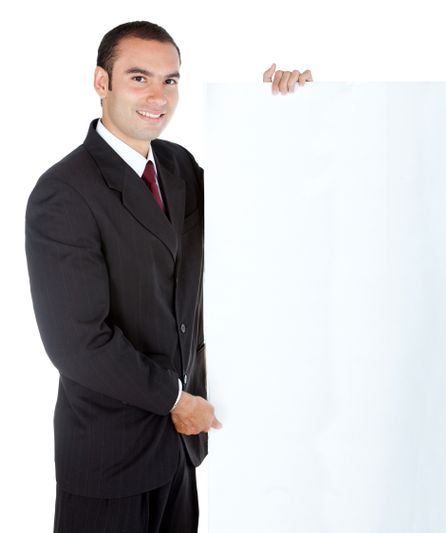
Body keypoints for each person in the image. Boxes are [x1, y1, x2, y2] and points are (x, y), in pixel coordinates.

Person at [25, 21, 312, 533]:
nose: (159, 96)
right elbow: (77, 344)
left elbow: (254, 204)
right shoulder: (63, 193)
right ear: (101, 82)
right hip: (109, 459)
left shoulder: (178, 167)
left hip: (180, 452)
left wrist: (278, 109)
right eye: (139, 78)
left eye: (170, 80)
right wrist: (176, 400)